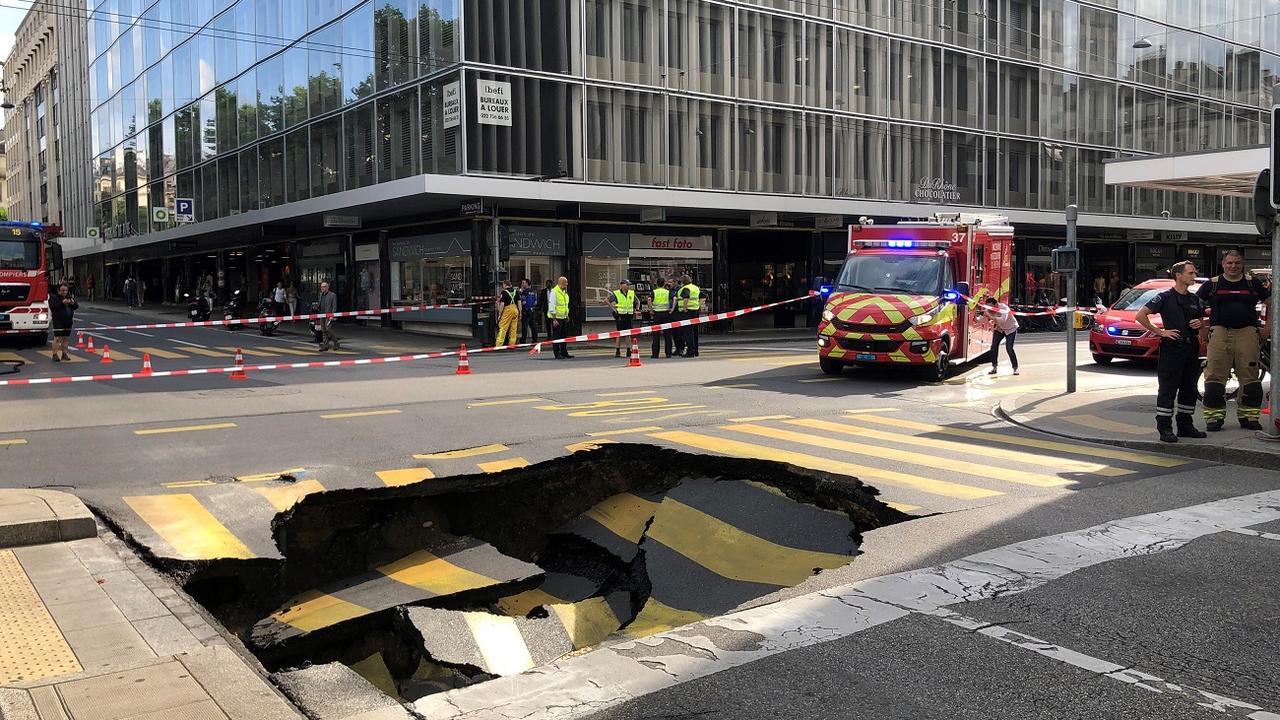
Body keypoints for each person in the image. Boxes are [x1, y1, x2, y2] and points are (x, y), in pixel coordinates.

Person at [1196, 249, 1272, 431]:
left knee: (1251, 378)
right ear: (1223, 264)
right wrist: (1202, 328)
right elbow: (1194, 305)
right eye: (1229, 263)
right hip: (1220, 333)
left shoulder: (1252, 283)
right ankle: (1214, 418)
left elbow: (1272, 304)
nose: (1233, 266)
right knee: (1214, 377)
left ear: (1242, 264)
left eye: (1237, 263)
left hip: (1247, 333)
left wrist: (1267, 329)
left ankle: (1249, 417)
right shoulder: (1212, 284)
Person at [1135, 261, 1207, 443]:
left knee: (1189, 388)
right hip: (1172, 348)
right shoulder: (1165, 297)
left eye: (1194, 272)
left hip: (1191, 348)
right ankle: (1165, 427)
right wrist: (1161, 332)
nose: (1194, 275)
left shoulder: (1195, 299)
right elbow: (1140, 315)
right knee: (1168, 388)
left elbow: (1201, 322)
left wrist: (1199, 325)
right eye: (1190, 273)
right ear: (1178, 275)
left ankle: (1185, 425)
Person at [983, 298, 1020, 375]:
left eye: (990, 307)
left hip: (1010, 329)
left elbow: (1002, 320)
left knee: (1009, 348)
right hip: (1000, 329)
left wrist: (989, 315)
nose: (989, 309)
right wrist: (977, 318)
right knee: (993, 347)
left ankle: (1015, 368)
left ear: (996, 304)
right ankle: (994, 367)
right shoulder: (990, 310)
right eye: (988, 307)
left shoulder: (1004, 308)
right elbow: (983, 317)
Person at [48, 282, 78, 362]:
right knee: (57, 338)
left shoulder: (69, 297)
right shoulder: (54, 297)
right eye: (62, 290)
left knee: (66, 338)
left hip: (68, 320)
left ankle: (64, 354)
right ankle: (55, 354)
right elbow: (53, 306)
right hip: (58, 321)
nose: (64, 292)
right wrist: (62, 303)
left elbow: (76, 306)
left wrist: (72, 303)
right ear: (58, 290)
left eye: (65, 290)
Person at [608, 279, 637, 358]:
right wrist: (614, 309)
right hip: (620, 315)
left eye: (629, 285)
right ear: (622, 285)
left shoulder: (631, 293)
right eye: (627, 284)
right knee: (619, 334)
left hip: (629, 315)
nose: (628, 286)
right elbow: (607, 300)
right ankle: (618, 351)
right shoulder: (616, 293)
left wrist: (636, 310)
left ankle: (628, 350)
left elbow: (637, 302)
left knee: (628, 334)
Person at [649, 276, 676, 359]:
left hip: (657, 314)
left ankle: (655, 354)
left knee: (656, 335)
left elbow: (649, 300)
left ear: (656, 284)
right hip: (666, 314)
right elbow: (675, 298)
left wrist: (651, 310)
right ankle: (668, 353)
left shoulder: (654, 291)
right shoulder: (667, 292)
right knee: (667, 334)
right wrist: (672, 309)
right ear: (664, 284)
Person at [547, 275, 572, 359]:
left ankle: (564, 352)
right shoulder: (554, 292)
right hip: (556, 318)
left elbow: (565, 306)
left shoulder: (564, 292)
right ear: (561, 283)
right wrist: (554, 319)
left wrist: (566, 315)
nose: (567, 284)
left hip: (564, 318)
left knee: (564, 336)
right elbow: (552, 306)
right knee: (557, 337)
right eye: (566, 283)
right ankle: (557, 353)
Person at [677, 274, 701, 357]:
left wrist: (684, 308)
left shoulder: (685, 288)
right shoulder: (695, 287)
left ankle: (690, 352)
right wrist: (698, 305)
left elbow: (686, 297)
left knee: (688, 333)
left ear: (683, 282)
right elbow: (704, 297)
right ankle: (695, 351)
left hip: (687, 312)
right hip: (695, 311)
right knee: (694, 332)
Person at [495, 279, 520, 348]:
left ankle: (498, 345)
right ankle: (512, 344)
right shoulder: (516, 292)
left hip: (508, 310)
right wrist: (520, 312)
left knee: (503, 327)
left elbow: (502, 304)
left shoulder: (504, 293)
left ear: (505, 285)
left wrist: (500, 313)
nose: (502, 286)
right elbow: (519, 303)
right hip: (515, 310)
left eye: (503, 285)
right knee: (513, 329)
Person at [317, 281, 340, 351]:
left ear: (328, 287)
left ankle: (336, 342)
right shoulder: (320, 295)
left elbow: (334, 306)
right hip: (322, 314)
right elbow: (320, 304)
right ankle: (325, 345)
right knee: (323, 330)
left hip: (329, 315)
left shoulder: (332, 295)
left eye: (324, 287)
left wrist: (332, 315)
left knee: (328, 329)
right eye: (321, 287)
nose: (322, 288)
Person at [518, 278, 539, 344]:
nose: (522, 284)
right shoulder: (533, 291)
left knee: (524, 326)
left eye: (523, 283)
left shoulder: (524, 292)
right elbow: (535, 302)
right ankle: (535, 339)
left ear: (527, 283)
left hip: (526, 311)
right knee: (533, 326)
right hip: (532, 310)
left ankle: (523, 340)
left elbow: (523, 302)